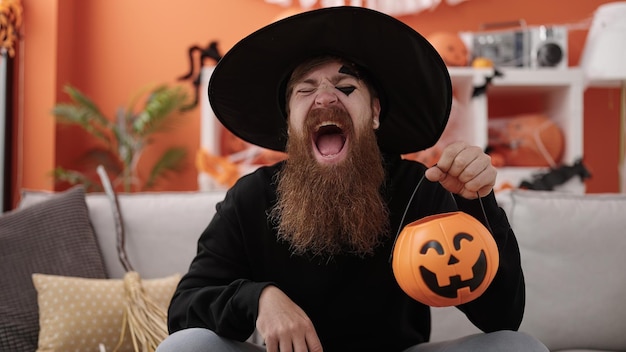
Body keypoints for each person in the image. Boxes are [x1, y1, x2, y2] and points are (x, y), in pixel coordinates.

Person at [157, 6, 548, 352]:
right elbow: (184, 312)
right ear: (289, 123)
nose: (325, 99)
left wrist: (476, 205)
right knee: (185, 347)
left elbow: (502, 317)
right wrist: (258, 298)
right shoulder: (251, 197)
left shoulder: (421, 186)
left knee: (518, 347)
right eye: (305, 90)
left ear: (375, 113)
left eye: (345, 88)